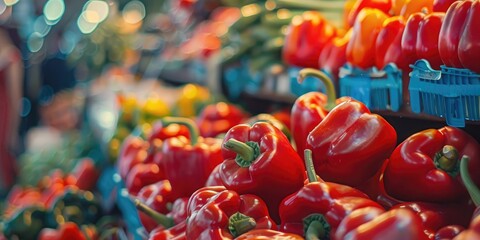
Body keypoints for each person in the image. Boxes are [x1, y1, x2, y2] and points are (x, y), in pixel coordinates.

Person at [0, 25, 23, 194]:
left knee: (4, 148)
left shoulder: (12, 56)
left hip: (4, 112)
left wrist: (14, 128)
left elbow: (16, 95)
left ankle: (7, 193)